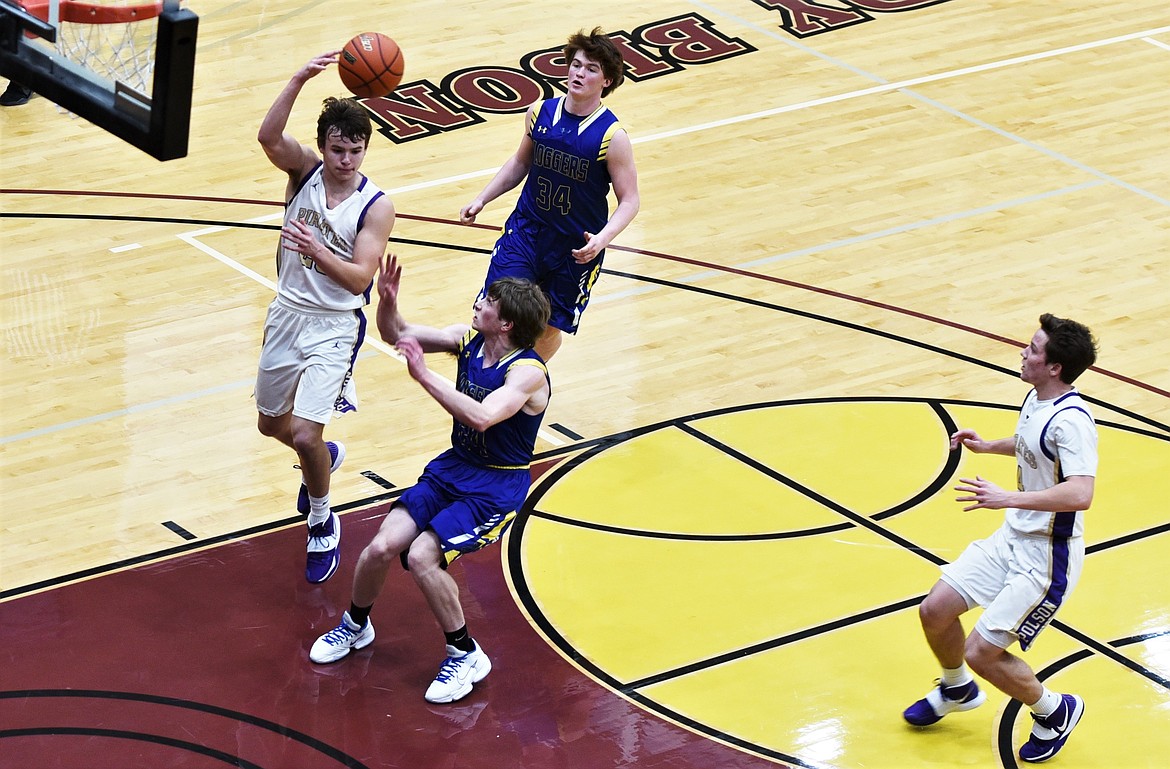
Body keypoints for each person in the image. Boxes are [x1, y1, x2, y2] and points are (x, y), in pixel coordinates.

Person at [309, 253, 552, 705]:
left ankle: (466, 654)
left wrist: (424, 375)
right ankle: (355, 625)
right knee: (382, 546)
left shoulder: (528, 374)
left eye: (490, 302)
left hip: (494, 485)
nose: (479, 302)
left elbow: (481, 417)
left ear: (507, 325)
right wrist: (387, 301)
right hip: (454, 466)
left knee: (422, 556)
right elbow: (396, 333)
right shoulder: (468, 341)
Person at [903, 313, 1099, 764]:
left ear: (1055, 367)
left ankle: (1054, 711)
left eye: (1033, 349)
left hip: (1046, 559)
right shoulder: (1037, 398)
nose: (1023, 353)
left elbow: (1081, 492)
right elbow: (1033, 443)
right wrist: (989, 446)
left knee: (982, 652)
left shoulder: (1074, 422)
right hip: (1013, 538)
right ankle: (957, 689)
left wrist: (1007, 496)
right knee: (935, 610)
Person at [254, 52, 396, 584]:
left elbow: (360, 279)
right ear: (324, 145)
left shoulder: (377, 205)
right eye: (338, 149)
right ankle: (324, 457)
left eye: (355, 151)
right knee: (272, 425)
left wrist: (317, 249)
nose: (346, 160)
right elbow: (269, 138)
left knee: (307, 435)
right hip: (287, 311)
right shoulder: (304, 171)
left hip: (336, 323)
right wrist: (296, 77)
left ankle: (322, 522)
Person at [459, 27, 639, 361]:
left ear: (607, 81)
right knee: (495, 312)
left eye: (591, 69)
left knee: (545, 329)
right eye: (576, 64)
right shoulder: (540, 113)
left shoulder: (612, 137)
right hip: (526, 231)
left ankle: (527, 381)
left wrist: (602, 239)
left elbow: (630, 200)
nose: (579, 73)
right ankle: (487, 385)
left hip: (573, 246)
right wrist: (482, 198)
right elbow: (519, 162)